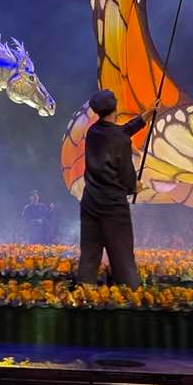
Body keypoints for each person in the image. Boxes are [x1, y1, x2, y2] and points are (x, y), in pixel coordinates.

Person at [76, 89, 152, 287]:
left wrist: (144, 117)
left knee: (89, 256)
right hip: (113, 206)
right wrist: (134, 186)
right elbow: (126, 172)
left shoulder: (93, 132)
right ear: (115, 107)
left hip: (90, 203)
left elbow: (120, 132)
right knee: (122, 257)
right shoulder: (119, 139)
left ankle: (84, 295)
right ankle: (128, 295)